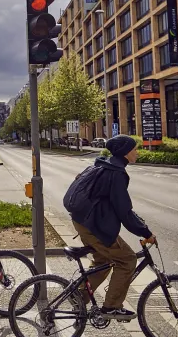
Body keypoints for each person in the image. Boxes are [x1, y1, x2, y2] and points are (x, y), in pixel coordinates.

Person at [64, 135, 154, 321]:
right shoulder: (116, 173)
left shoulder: (103, 165)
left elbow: (120, 207)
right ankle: (112, 307)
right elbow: (124, 212)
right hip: (93, 225)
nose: (137, 152)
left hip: (83, 221)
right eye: (134, 149)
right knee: (127, 260)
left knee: (104, 260)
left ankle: (79, 296)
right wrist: (146, 232)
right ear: (125, 152)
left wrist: (140, 224)